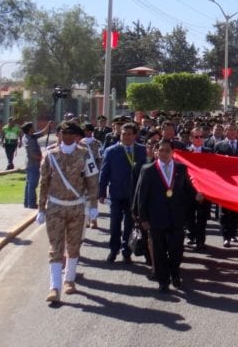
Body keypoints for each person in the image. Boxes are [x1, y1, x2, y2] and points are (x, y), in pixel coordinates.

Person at [37, 122, 99, 302]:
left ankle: (69, 280)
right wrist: (41, 208)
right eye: (64, 132)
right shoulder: (50, 154)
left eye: (71, 133)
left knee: (73, 246)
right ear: (59, 134)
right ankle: (54, 286)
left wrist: (93, 205)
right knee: (55, 247)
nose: (67, 136)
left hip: (76, 207)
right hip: (55, 207)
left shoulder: (85, 154)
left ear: (76, 135)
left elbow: (92, 180)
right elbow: (44, 183)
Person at [136, 139, 199, 293]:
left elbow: (187, 190)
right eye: (161, 150)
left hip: (176, 216)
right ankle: (163, 279)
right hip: (156, 217)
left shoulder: (181, 168)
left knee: (176, 248)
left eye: (167, 150)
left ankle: (175, 273)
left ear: (173, 152)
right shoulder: (148, 170)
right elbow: (141, 196)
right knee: (159, 250)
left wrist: (197, 196)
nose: (164, 153)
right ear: (156, 152)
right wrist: (142, 218)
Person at [99, 122, 147, 264]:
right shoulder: (111, 151)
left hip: (134, 196)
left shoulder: (142, 150)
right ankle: (114, 250)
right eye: (123, 134)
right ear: (120, 135)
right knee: (115, 224)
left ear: (135, 135)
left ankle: (127, 250)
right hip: (116, 194)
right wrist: (101, 191)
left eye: (129, 134)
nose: (126, 137)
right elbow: (104, 172)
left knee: (130, 224)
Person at [21, 120, 52, 209]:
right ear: (29, 129)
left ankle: (27, 203)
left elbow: (43, 133)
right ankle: (31, 204)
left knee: (29, 184)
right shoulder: (27, 139)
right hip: (32, 164)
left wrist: (48, 125)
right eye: (32, 127)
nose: (34, 129)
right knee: (32, 185)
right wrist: (42, 159)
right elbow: (32, 154)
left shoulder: (32, 136)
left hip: (33, 164)